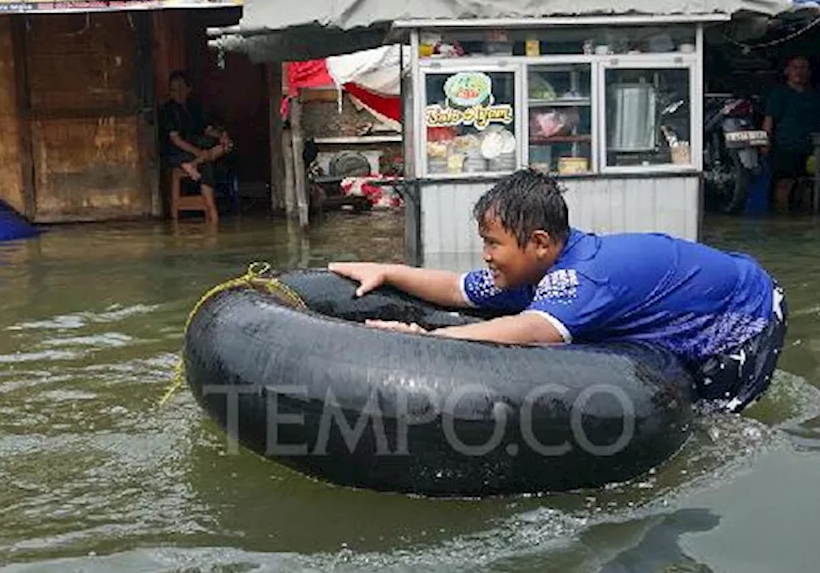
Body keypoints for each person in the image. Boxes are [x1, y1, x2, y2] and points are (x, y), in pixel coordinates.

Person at [329, 170, 787, 415]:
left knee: (714, 420)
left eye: (493, 244)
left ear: (540, 243)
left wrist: (422, 340)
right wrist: (386, 270)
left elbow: (531, 330)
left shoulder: (582, 278)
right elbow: (455, 288)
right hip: (704, 296)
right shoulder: (536, 268)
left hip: (744, 315)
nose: (486, 255)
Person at [158, 70, 234, 224]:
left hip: (194, 148)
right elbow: (176, 140)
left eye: (181, 89)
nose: (177, 93)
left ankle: (193, 164)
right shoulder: (168, 110)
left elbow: (207, 128)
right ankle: (212, 212)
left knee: (227, 146)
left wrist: (222, 136)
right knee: (206, 163)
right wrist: (200, 153)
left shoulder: (194, 106)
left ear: (188, 88)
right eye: (173, 90)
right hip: (175, 152)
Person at [761, 55, 820, 212]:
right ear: (787, 71)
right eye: (795, 67)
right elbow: (769, 120)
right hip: (785, 146)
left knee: (807, 184)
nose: (799, 71)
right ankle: (781, 218)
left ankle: (802, 218)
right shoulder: (779, 93)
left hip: (810, 147)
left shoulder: (813, 95)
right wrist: (765, 142)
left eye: (803, 68)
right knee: (784, 183)